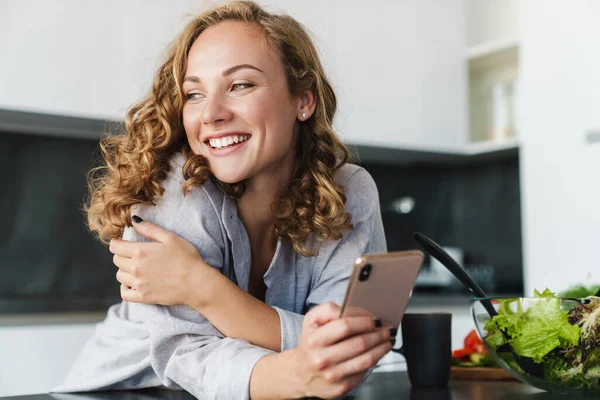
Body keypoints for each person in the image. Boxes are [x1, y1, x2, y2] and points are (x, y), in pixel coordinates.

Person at [54, 1, 391, 399]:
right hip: (126, 392)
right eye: (194, 94)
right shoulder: (174, 187)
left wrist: (201, 286)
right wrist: (301, 369)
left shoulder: (351, 190)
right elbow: (190, 358)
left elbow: (357, 349)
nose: (211, 113)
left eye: (240, 85)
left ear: (303, 100)